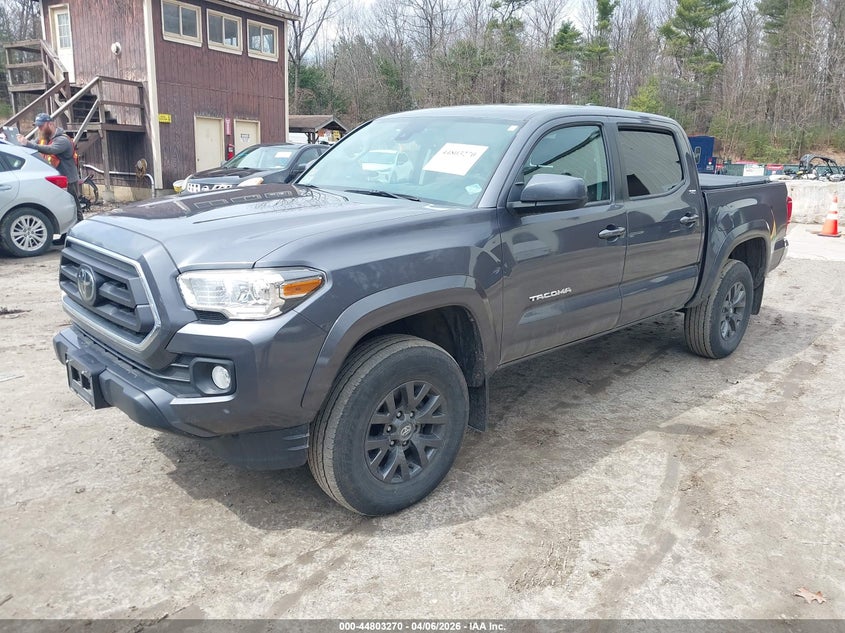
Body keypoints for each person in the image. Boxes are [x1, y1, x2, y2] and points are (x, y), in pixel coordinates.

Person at [18, 113, 82, 221]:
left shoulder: (63, 140)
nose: (39, 129)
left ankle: (80, 226)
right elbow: (33, 144)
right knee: (62, 207)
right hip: (56, 180)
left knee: (74, 207)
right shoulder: (44, 138)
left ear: (50, 124)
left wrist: (28, 144)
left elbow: (50, 149)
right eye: (38, 126)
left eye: (41, 126)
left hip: (68, 180)